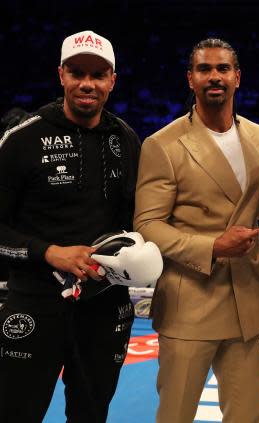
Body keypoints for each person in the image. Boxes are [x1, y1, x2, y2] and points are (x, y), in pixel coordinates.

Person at [133, 38, 259, 423]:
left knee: (248, 417)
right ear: (190, 79)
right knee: (176, 415)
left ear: (237, 77)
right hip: (189, 303)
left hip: (247, 299)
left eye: (223, 69)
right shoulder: (162, 145)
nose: (214, 77)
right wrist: (212, 246)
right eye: (204, 69)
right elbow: (147, 225)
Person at [0, 30, 140, 422]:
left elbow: (135, 222)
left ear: (112, 80)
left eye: (98, 75)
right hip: (35, 304)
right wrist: (48, 252)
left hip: (104, 306)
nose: (87, 84)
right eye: (77, 72)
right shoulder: (22, 140)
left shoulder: (126, 139)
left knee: (91, 415)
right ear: (60, 74)